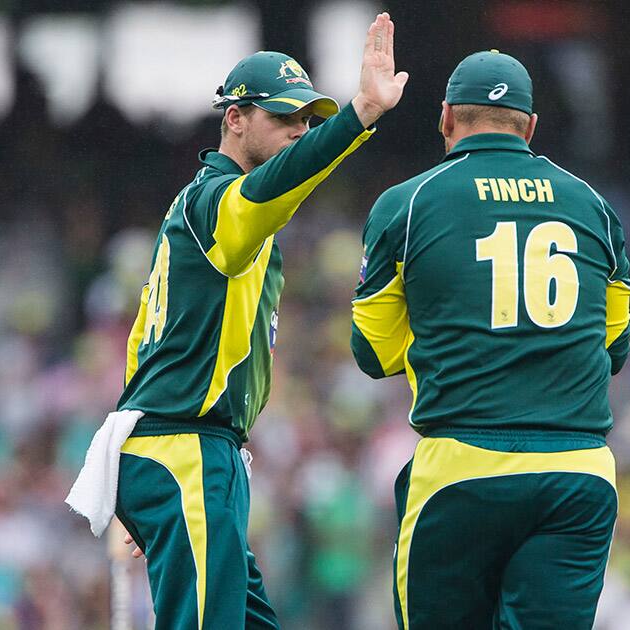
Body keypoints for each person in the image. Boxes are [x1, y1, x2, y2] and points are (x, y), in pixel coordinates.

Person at [67, 13, 407, 629]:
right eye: (283, 119)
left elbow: (144, 339)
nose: (298, 134)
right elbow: (285, 181)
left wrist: (137, 475)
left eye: (307, 122)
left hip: (184, 451)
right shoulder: (218, 200)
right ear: (235, 118)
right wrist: (358, 114)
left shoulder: (200, 205)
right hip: (186, 448)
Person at [351, 50, 630, 629]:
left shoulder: (406, 204)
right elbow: (615, 349)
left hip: (461, 470)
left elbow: (372, 354)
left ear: (446, 117)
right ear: (531, 126)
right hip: (576, 474)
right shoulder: (595, 207)